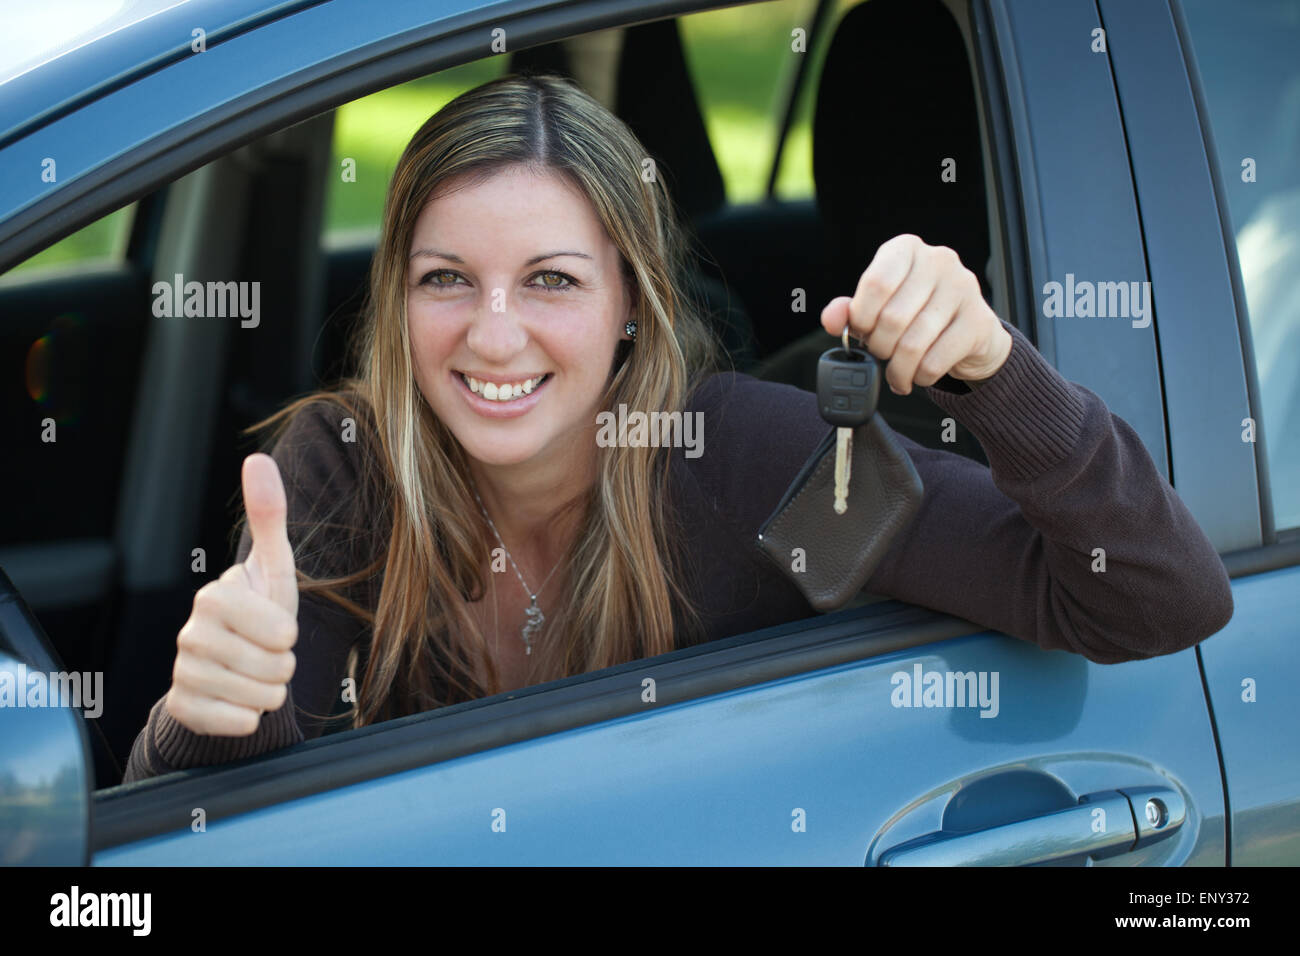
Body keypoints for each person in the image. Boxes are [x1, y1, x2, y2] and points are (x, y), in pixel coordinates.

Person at [124, 73, 1233, 782]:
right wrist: (208, 712)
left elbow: (1153, 593)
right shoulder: (343, 469)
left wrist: (993, 372)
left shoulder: (740, 466)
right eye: (447, 278)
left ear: (628, 309)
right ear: (397, 300)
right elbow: (191, 830)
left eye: (552, 279)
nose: (494, 335)